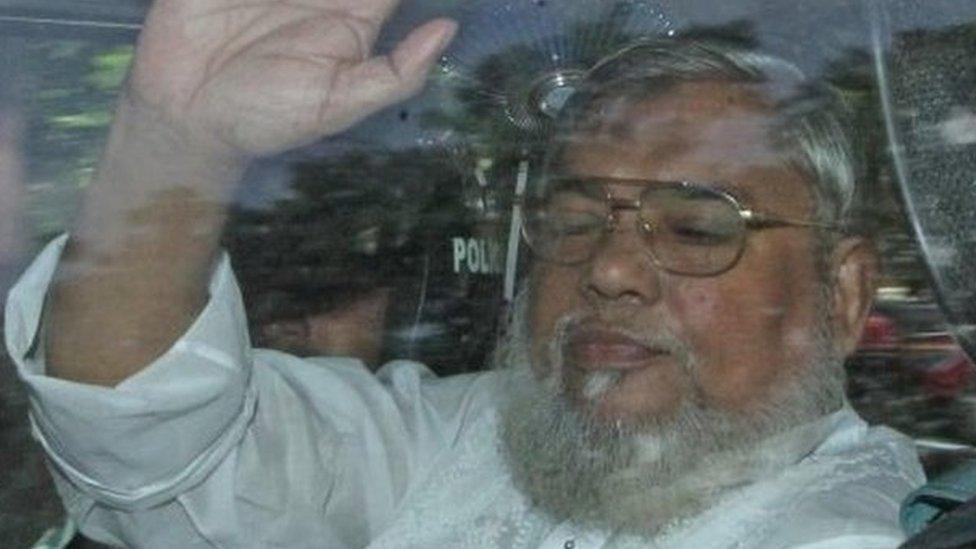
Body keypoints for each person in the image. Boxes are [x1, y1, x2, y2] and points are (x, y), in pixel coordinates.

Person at [5, 0, 924, 547]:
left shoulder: (846, 529)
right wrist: (175, 139)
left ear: (840, 295)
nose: (607, 266)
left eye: (692, 228)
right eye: (570, 218)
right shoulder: (472, 435)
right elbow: (146, 442)